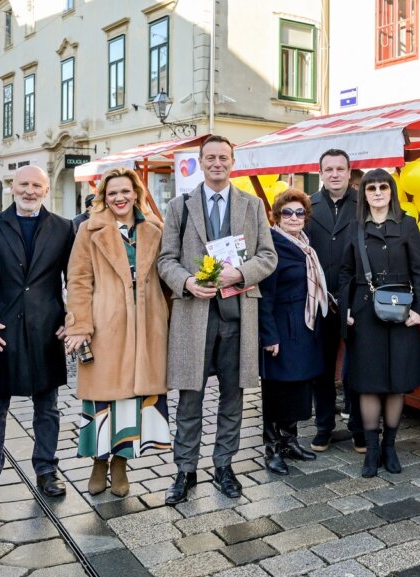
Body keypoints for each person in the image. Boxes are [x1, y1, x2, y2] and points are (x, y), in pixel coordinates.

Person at [159, 135, 277, 504]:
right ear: (199, 161)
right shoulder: (180, 206)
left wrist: (240, 273)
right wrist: (188, 282)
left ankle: (224, 466)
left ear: (232, 161)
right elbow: (165, 260)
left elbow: (268, 256)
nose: (217, 163)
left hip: (238, 316)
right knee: (190, 398)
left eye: (223, 157)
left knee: (233, 396)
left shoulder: (252, 204)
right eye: (210, 158)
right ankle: (185, 470)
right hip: (194, 315)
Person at [0, 165, 74, 506]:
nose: (29, 191)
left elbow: (76, 280)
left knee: (48, 408)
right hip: (1, 330)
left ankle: (46, 469)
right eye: (23, 184)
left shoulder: (63, 228)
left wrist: (74, 318)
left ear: (45, 190)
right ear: (12, 186)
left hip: (47, 329)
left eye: (36, 186)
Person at [64, 167, 171, 497]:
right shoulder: (89, 230)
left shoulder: (155, 228)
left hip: (146, 325)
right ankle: (99, 461)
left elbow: (167, 275)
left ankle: (121, 464)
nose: (119, 198)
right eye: (112, 193)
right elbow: (79, 280)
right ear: (103, 197)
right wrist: (80, 324)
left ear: (136, 193)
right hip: (105, 323)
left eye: (125, 191)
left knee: (133, 400)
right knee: (102, 399)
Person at [339, 168, 420, 478]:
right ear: (363, 193)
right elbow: (344, 273)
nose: (377, 192)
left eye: (383, 187)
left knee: (396, 381)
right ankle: (371, 450)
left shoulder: (407, 225)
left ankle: (390, 447)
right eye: (371, 188)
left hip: (401, 312)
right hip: (365, 314)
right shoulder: (354, 228)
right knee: (368, 381)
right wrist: (346, 309)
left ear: (392, 192)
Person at [258, 189, 328, 475]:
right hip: (281, 328)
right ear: (277, 216)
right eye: (287, 212)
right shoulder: (271, 245)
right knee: (277, 389)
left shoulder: (306, 245)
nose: (294, 217)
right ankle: (272, 449)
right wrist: (269, 336)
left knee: (298, 387)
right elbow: (264, 295)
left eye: (299, 212)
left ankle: (290, 440)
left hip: (305, 325)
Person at [306, 149, 363, 452]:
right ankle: (324, 426)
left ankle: (357, 425)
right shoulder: (308, 206)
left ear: (349, 171)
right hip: (321, 299)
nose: (335, 174)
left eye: (340, 168)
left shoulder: (363, 204)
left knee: (355, 368)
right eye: (328, 169)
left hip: (355, 298)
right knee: (322, 368)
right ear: (321, 173)